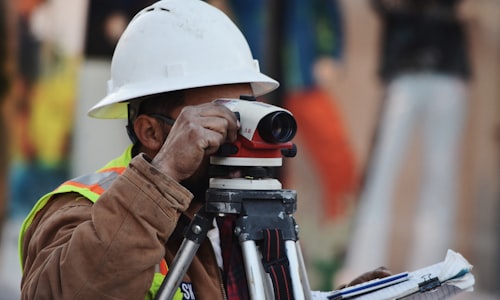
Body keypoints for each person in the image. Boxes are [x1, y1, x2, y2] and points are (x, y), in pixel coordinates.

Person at [19, 0, 390, 299]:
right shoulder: (80, 207)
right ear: (149, 131)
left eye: (244, 108)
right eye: (218, 116)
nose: (237, 133)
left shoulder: (245, 215)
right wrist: (163, 175)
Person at [340, 0, 470, 280]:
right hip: (404, 65)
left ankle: (432, 274)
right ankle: (363, 269)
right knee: (381, 173)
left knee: (440, 179)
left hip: (446, 64)